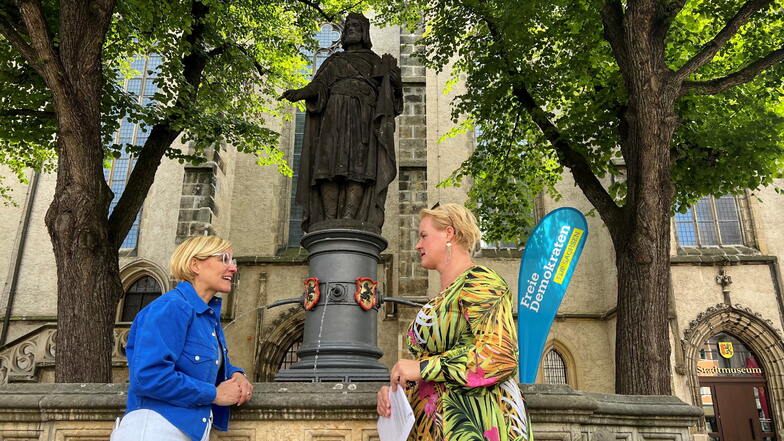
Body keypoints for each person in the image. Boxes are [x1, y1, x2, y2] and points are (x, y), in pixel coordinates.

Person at [376, 203, 533, 441]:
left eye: (423, 236)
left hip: (475, 425)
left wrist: (422, 368)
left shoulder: (480, 282)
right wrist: (397, 392)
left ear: (449, 233)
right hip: (433, 427)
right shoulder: (441, 298)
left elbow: (500, 355)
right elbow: (430, 368)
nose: (418, 245)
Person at [112, 236, 253, 441]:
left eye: (233, 261)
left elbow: (204, 364)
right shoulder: (171, 308)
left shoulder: (206, 316)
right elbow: (148, 377)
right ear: (195, 264)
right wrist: (213, 394)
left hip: (186, 431)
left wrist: (236, 374)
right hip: (154, 430)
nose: (233, 268)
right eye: (224, 259)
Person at [281, 12, 403, 232]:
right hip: (334, 119)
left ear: (364, 31)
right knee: (327, 166)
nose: (350, 29)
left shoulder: (375, 61)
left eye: (356, 26)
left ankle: (350, 217)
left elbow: (390, 101)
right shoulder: (334, 61)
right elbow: (318, 86)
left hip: (362, 120)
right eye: (348, 27)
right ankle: (328, 219)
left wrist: (395, 82)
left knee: (358, 168)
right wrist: (299, 93)